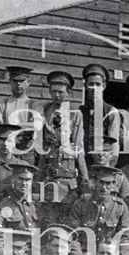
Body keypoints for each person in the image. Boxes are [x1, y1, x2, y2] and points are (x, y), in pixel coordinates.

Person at [38, 70, 89, 209]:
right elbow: (42, 148)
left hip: (67, 179)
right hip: (49, 177)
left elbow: (78, 149)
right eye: (54, 91)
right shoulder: (44, 111)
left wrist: (85, 184)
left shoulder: (75, 115)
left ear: (68, 93)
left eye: (61, 92)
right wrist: (38, 182)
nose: (57, 95)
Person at [67, 166, 129, 255]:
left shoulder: (120, 207)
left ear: (114, 184)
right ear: (94, 183)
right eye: (101, 182)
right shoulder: (81, 204)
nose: (104, 187)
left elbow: (125, 237)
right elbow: (73, 233)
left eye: (108, 183)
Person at [0, 66, 41, 165]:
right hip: (5, 150)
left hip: (25, 150)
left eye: (22, 81)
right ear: (10, 81)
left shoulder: (34, 105)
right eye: (15, 80)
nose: (18, 84)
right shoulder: (1, 104)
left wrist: (11, 127)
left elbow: (37, 125)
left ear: (28, 82)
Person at [80, 64, 121, 166]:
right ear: (85, 86)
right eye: (91, 84)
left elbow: (114, 144)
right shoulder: (80, 111)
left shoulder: (111, 112)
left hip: (102, 162)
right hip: (83, 161)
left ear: (104, 86)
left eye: (97, 84)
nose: (94, 88)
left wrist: (110, 165)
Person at [87, 135, 129, 207]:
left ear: (111, 154)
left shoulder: (119, 177)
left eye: (105, 151)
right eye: (97, 150)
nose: (101, 154)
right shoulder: (86, 176)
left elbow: (128, 202)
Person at [0, 162, 41, 231]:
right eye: (20, 179)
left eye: (27, 180)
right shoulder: (5, 205)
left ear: (31, 182)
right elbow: (0, 233)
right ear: (13, 179)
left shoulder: (38, 203)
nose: (24, 183)